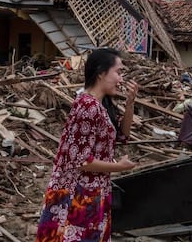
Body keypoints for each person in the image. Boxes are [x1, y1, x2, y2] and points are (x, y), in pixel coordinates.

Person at [36, 48, 137, 242]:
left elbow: (123, 136)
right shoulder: (88, 107)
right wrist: (119, 167)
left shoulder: (100, 105)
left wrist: (130, 103)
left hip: (92, 192)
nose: (121, 79)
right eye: (118, 72)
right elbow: (81, 161)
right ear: (101, 72)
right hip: (76, 195)